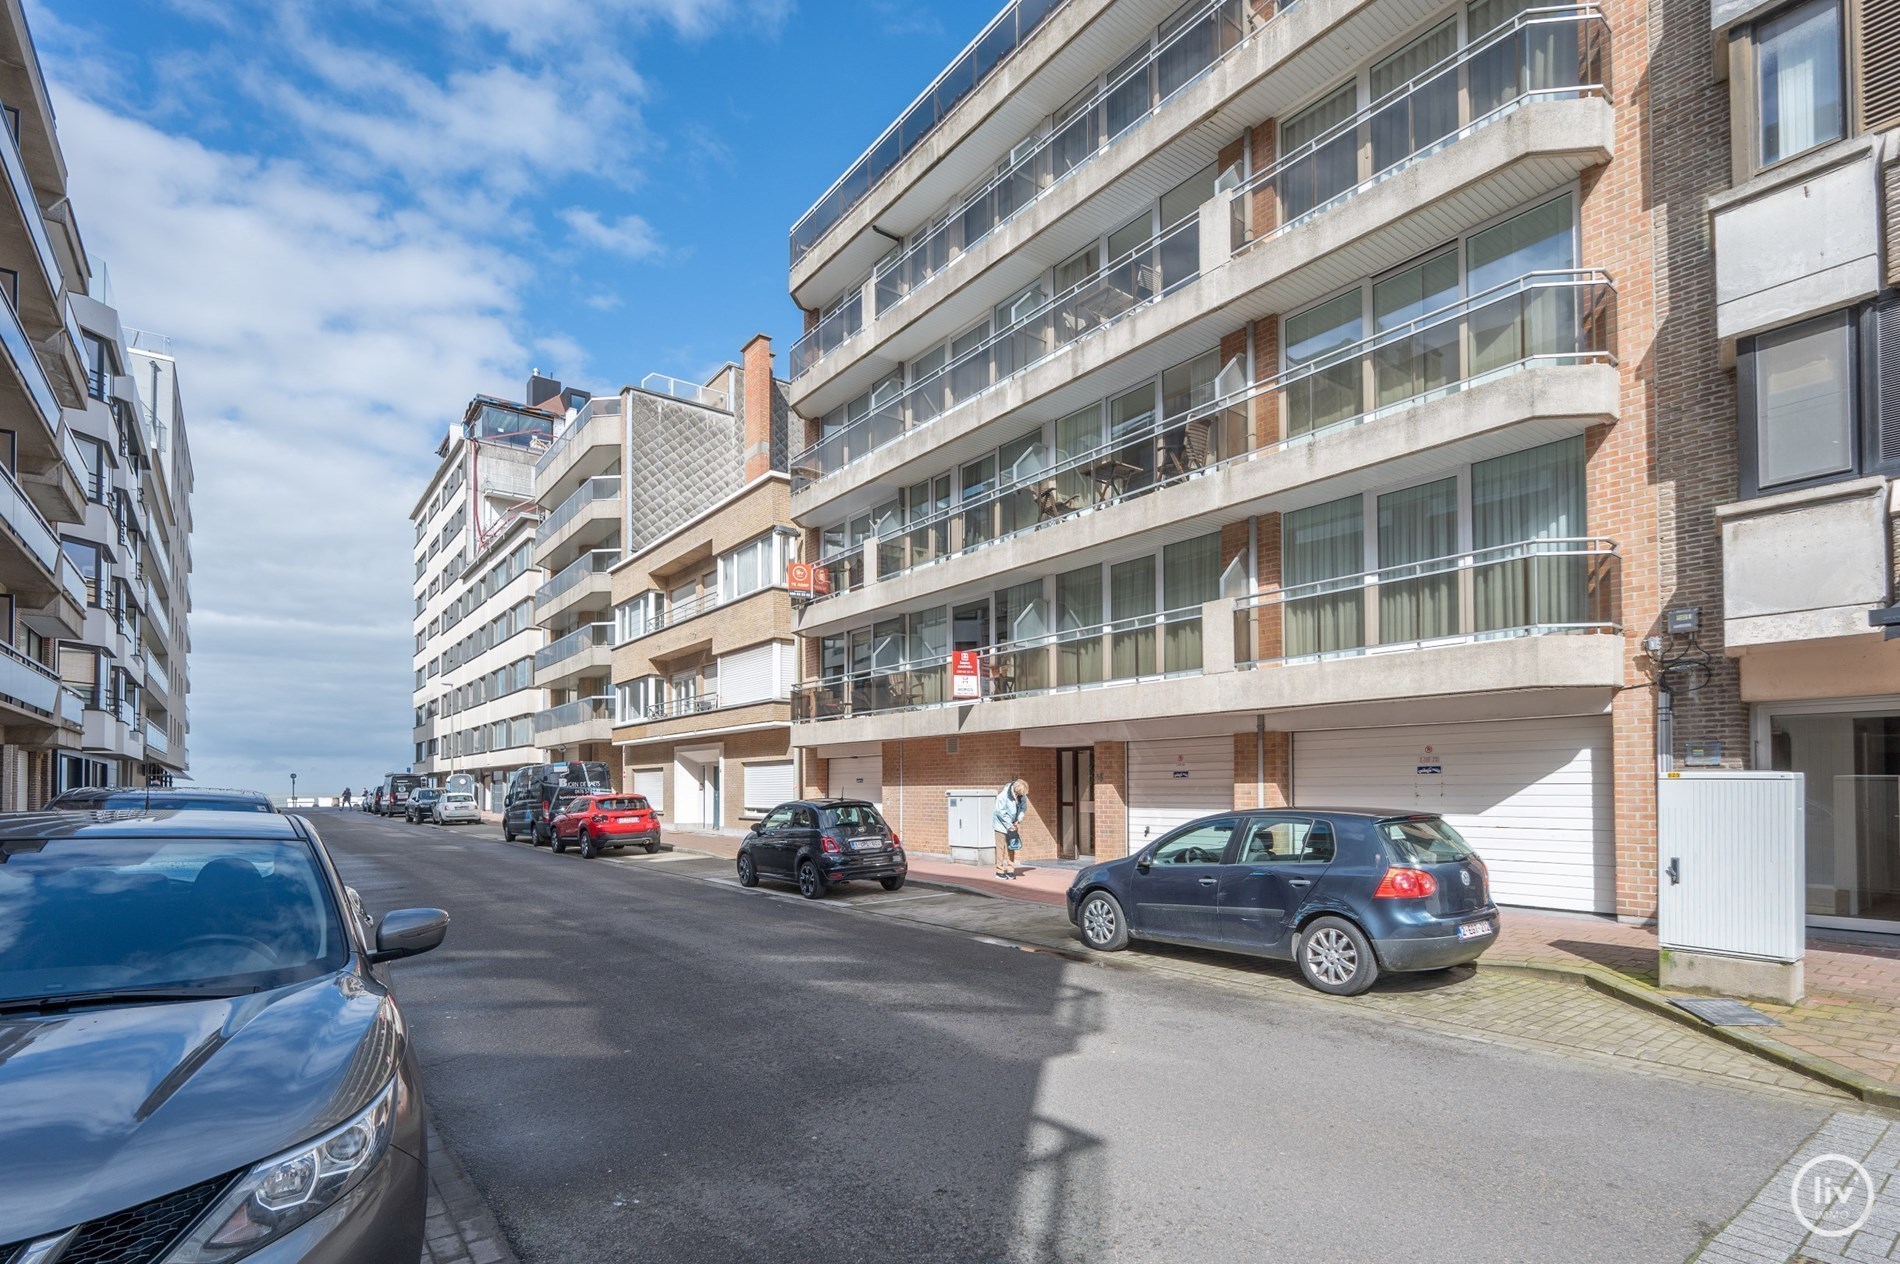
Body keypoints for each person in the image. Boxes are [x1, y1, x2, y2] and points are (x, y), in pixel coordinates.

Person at [992, 778, 1028, 879]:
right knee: (1001, 848)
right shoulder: (1003, 796)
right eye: (1020, 794)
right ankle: (999, 870)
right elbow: (1000, 812)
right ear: (1016, 790)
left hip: (1012, 823)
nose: (1021, 796)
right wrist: (1009, 825)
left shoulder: (1022, 795)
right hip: (1000, 824)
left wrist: (1018, 819)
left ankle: (1010, 869)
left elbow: (1023, 808)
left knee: (1012, 846)